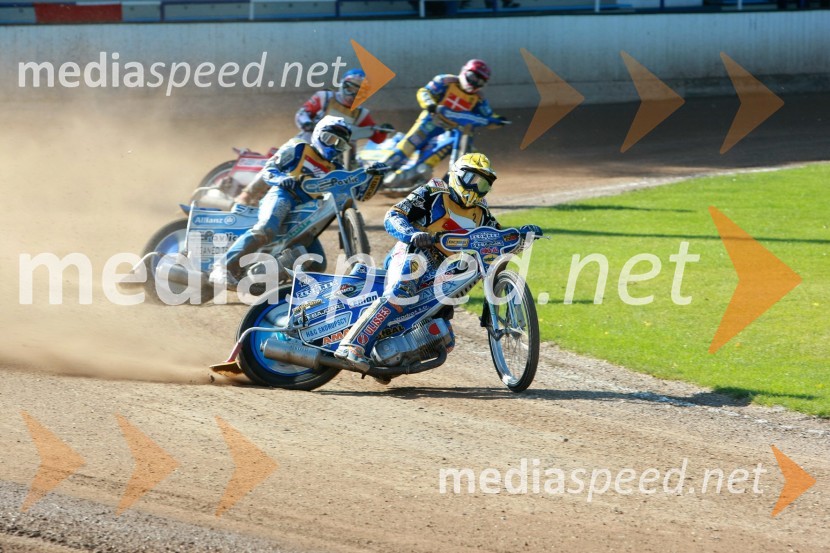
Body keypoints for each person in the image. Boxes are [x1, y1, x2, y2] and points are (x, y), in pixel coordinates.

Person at [334, 153, 542, 372]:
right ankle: (352, 345)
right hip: (413, 253)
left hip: (444, 271)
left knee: (443, 337)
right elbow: (394, 214)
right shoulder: (432, 192)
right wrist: (412, 233)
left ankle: (388, 360)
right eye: (472, 180)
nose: (476, 189)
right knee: (401, 292)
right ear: (457, 175)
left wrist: (522, 235)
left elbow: (497, 239)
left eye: (483, 184)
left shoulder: (481, 213)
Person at [209, 116, 379, 290]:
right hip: (284, 194)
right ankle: (222, 268)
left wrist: (373, 176)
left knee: (316, 262)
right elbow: (269, 169)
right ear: (318, 134)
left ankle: (271, 284)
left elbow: (357, 192)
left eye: (340, 144)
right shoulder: (298, 147)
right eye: (330, 139)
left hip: (308, 209)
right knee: (265, 229)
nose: (334, 147)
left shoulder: (336, 168)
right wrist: (282, 178)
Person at [234, 69, 392, 207]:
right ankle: (247, 194)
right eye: (351, 87)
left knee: (352, 173)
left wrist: (383, 131)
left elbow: (376, 137)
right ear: (342, 84)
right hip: (307, 141)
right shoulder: (325, 97)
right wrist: (307, 123)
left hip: (337, 152)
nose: (353, 94)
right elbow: (302, 113)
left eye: (360, 92)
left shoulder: (362, 113)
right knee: (277, 161)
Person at [382, 59, 508, 187]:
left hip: (452, 130)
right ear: (465, 71)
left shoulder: (479, 98)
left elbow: (488, 115)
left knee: (437, 156)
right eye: (472, 77)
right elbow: (424, 92)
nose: (475, 82)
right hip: (430, 121)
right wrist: (430, 104)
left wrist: (499, 120)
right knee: (409, 145)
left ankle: (425, 178)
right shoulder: (445, 81)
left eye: (480, 81)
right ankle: (381, 170)